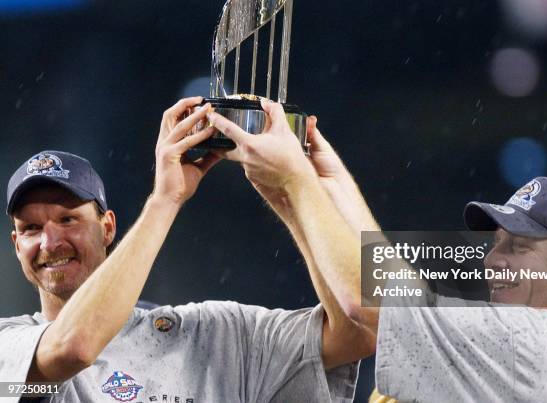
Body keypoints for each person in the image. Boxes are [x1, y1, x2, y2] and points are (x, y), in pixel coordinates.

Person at [0, 97, 375, 403]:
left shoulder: (214, 335)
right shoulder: (8, 354)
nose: (50, 242)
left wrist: (296, 192)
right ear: (17, 246)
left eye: (68, 220)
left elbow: (363, 330)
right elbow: (74, 348)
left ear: (108, 227)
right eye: (31, 228)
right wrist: (166, 198)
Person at [271, 152, 547, 402]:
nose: (492, 259)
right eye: (496, 244)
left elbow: (369, 298)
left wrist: (295, 181)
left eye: (519, 247)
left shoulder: (546, 350)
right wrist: (325, 187)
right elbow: (395, 299)